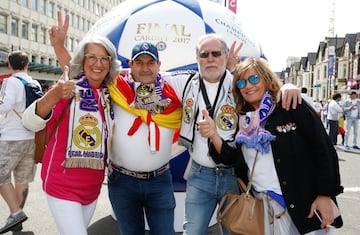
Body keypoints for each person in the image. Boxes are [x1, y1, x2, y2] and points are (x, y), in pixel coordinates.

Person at [49, 13, 301, 235]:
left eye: (151, 62)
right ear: (130, 65)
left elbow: (248, 89)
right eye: (139, 62)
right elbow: (81, 74)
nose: (145, 68)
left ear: (160, 66)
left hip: (160, 180)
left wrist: (283, 86)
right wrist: (59, 46)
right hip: (122, 182)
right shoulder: (115, 88)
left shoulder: (172, 91)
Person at [198, 57, 343, 235]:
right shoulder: (244, 120)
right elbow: (234, 160)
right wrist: (213, 136)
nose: (248, 86)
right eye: (242, 82)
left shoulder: (290, 105)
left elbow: (324, 149)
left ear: (267, 79)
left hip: (303, 205)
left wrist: (325, 194)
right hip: (262, 209)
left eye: (254, 79)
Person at [178, 34, 302, 235]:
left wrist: (288, 86)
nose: (210, 58)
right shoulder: (186, 83)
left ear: (226, 56)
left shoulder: (239, 85)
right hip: (200, 176)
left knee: (238, 232)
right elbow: (150, 78)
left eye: (216, 54)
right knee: (192, 231)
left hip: (234, 177)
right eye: (204, 54)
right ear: (197, 57)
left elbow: (266, 90)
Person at [21, 35, 121, 235]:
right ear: (82, 60)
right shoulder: (66, 89)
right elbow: (29, 122)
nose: (98, 63)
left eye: (104, 58)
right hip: (62, 185)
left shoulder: (111, 95)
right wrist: (54, 95)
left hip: (92, 189)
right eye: (92, 57)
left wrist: (59, 45)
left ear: (110, 64)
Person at [0, 51, 40, 233]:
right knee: (22, 179)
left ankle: (15, 212)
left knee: (1, 176)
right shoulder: (35, 83)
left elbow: (5, 106)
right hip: (30, 137)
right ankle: (18, 217)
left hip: (11, 138)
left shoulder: (10, 82)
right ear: (27, 65)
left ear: (9, 65)